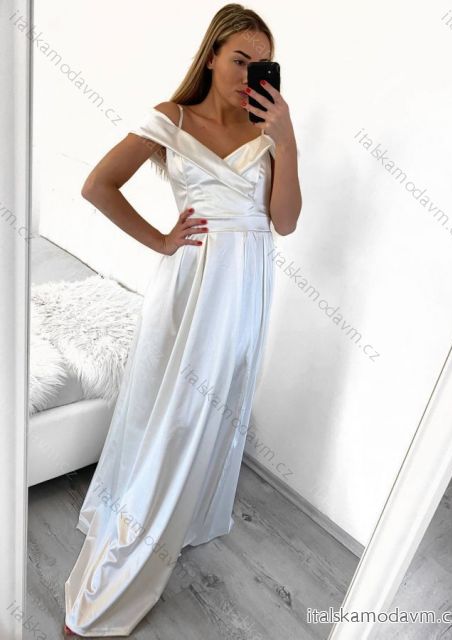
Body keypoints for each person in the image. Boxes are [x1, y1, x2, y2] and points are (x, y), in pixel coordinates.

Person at [63, 3, 301, 636]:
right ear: (212, 56)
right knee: (171, 414)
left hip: (246, 290)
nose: (249, 74)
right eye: (239, 60)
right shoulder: (172, 118)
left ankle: (183, 517)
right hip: (192, 285)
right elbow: (98, 185)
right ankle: (113, 575)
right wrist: (162, 240)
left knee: (213, 410)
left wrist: (286, 140)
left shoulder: (268, 130)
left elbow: (284, 222)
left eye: (262, 64)